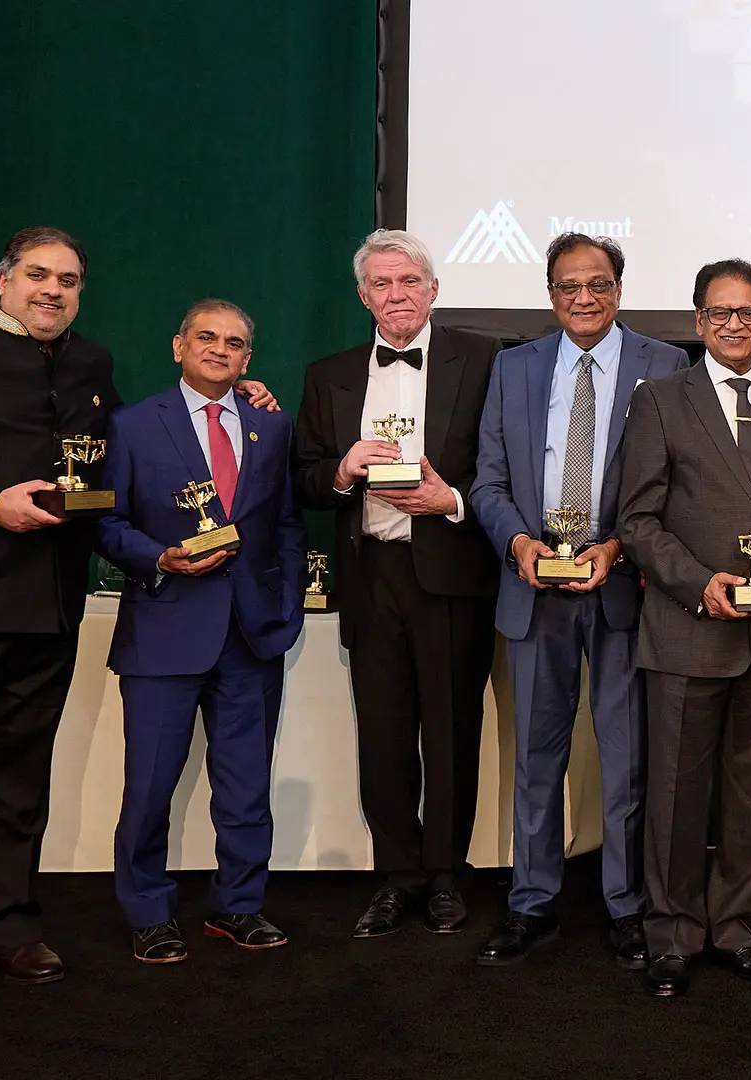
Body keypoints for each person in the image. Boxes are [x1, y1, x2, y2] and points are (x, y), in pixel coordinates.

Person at [0, 227, 274, 1028]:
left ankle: (4, 931)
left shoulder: (90, 365)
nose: (53, 290)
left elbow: (130, 460)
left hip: (44, 613)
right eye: (38, 275)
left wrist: (239, 398)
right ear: (5, 281)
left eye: (68, 280)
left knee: (15, 790)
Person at [469, 233, 689, 970]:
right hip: (535, 590)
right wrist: (519, 546)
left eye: (597, 284)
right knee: (536, 757)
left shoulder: (667, 364)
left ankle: (626, 905)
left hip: (625, 588)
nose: (584, 298)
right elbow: (488, 483)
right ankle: (532, 901)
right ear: (551, 292)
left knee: (628, 760)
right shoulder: (513, 367)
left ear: (618, 289)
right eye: (568, 286)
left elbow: (676, 484)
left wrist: (620, 547)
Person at [618, 259, 751, 997]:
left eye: (748, 313)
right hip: (688, 629)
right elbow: (637, 520)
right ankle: (671, 937)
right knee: (676, 798)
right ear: (698, 321)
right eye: (719, 312)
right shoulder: (659, 401)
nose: (733, 324)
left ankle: (736, 929)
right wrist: (696, 584)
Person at [292, 229, 502, 938]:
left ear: (433, 289)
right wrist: (341, 471)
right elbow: (305, 476)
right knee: (381, 733)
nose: (395, 295)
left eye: (408, 281)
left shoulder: (484, 359)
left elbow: (507, 467)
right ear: (362, 296)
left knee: (450, 730)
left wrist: (455, 500)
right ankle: (395, 875)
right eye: (381, 285)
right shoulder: (330, 374)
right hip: (370, 573)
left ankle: (445, 874)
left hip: (451, 571)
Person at [95, 300, 306, 963]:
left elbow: (289, 526)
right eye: (207, 338)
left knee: (245, 785)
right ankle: (149, 913)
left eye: (236, 342)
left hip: (251, 635)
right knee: (150, 784)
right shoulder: (131, 426)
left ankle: (238, 906)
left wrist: (288, 605)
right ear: (178, 346)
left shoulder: (271, 429)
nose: (221, 349)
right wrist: (159, 557)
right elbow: (106, 523)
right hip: (163, 629)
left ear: (249, 358)